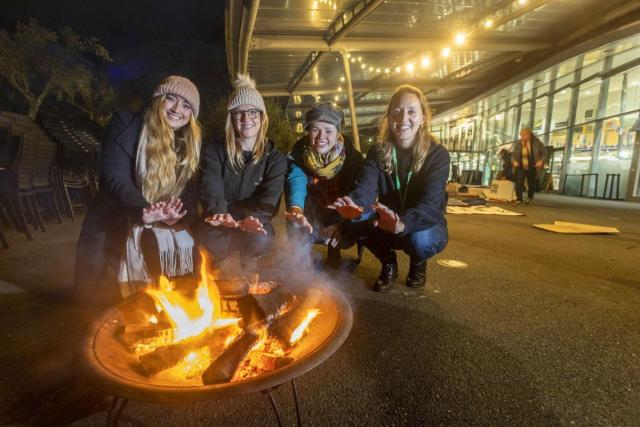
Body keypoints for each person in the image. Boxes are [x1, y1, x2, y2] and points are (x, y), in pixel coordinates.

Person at [74, 75, 202, 303]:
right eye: (170, 99)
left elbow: (188, 201)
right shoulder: (126, 124)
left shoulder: (186, 146)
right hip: (115, 219)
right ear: (157, 99)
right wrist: (143, 210)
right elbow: (115, 177)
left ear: (191, 115)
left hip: (157, 224)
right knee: (91, 297)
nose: (176, 109)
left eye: (186, 105)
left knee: (170, 294)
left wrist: (175, 218)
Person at [329, 85, 450, 292]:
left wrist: (403, 224)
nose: (403, 119)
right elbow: (365, 189)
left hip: (420, 225)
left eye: (411, 111)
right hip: (387, 222)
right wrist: (355, 206)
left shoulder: (437, 155)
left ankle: (418, 263)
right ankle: (388, 263)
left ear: (423, 118)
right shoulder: (378, 151)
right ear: (389, 117)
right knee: (358, 219)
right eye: (397, 111)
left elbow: (431, 205)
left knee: (420, 240)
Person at [198, 74, 287, 263]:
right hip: (222, 216)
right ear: (232, 118)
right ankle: (216, 274)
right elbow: (210, 184)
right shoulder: (214, 150)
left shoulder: (275, 158)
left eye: (253, 112)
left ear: (262, 117)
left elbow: (270, 199)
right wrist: (220, 214)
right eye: (239, 112)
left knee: (261, 239)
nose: (246, 118)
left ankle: (249, 274)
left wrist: (253, 220)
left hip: (253, 219)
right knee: (212, 240)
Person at [284, 102, 364, 268]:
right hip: (313, 216)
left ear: (338, 133)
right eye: (315, 129)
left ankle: (334, 249)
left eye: (328, 130)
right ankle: (303, 253)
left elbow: (358, 192)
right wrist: (296, 210)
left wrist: (341, 223)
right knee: (294, 216)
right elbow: (295, 181)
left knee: (356, 223)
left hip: (339, 215)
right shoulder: (299, 154)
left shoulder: (352, 159)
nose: (321, 137)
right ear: (308, 132)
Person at [511, 128, 545, 205]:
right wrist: (514, 161)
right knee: (518, 182)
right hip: (520, 166)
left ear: (529, 134)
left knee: (531, 184)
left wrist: (541, 161)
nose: (522, 136)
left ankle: (529, 197)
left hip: (532, 166)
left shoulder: (537, 143)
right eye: (521, 135)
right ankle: (519, 198)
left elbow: (544, 154)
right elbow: (513, 155)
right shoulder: (518, 143)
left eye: (524, 134)